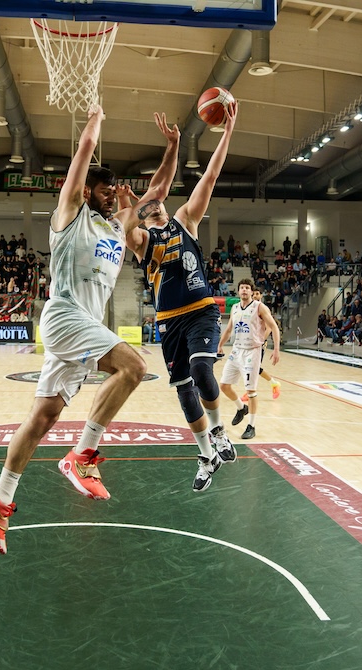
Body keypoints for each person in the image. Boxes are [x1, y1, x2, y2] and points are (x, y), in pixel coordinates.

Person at [0, 107, 178, 555]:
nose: (110, 197)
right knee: (134, 366)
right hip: (65, 316)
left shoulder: (118, 227)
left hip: (85, 324)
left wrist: (173, 147)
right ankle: (82, 455)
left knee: (43, 417)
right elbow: (83, 153)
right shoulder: (70, 215)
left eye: (112, 194)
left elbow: (158, 193)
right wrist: (96, 121)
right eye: (103, 191)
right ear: (88, 191)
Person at [130, 101, 241, 492]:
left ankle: (219, 433)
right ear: (142, 215)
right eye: (148, 205)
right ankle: (206, 455)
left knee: (199, 370)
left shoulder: (185, 220)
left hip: (201, 312)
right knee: (183, 392)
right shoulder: (142, 241)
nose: (156, 203)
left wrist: (226, 133)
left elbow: (209, 177)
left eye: (158, 200)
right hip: (168, 322)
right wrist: (132, 203)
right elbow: (135, 214)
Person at [217, 279, 281, 440]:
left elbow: (274, 327)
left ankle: (251, 426)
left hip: (252, 352)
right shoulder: (235, 308)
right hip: (236, 350)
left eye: (247, 288)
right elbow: (229, 328)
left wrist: (276, 349)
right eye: (242, 287)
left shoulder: (259, 307)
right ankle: (241, 408)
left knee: (251, 391)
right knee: (224, 385)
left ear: (252, 292)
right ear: (238, 291)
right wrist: (220, 345)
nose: (244, 290)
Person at [240, 289, 282, 402]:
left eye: (257, 294)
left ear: (261, 295)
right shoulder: (250, 308)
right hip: (249, 343)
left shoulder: (262, 308)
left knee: (251, 368)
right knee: (252, 368)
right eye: (253, 294)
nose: (255, 296)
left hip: (259, 344)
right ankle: (273, 384)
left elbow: (269, 328)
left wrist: (261, 340)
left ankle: (250, 392)